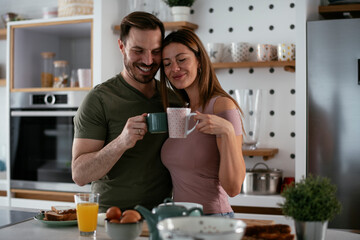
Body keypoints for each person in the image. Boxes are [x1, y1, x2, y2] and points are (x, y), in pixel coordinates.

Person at [72, 11, 180, 212]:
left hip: (161, 218)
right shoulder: (99, 99)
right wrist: (121, 142)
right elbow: (79, 174)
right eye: (138, 51)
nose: (148, 60)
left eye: (155, 51)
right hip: (110, 218)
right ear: (121, 46)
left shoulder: (174, 99)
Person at [160, 29, 246, 217]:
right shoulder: (183, 110)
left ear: (199, 60)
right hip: (180, 222)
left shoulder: (221, 105)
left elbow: (233, 188)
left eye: (181, 60)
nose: (174, 68)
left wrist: (228, 131)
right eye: (167, 64)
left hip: (213, 221)